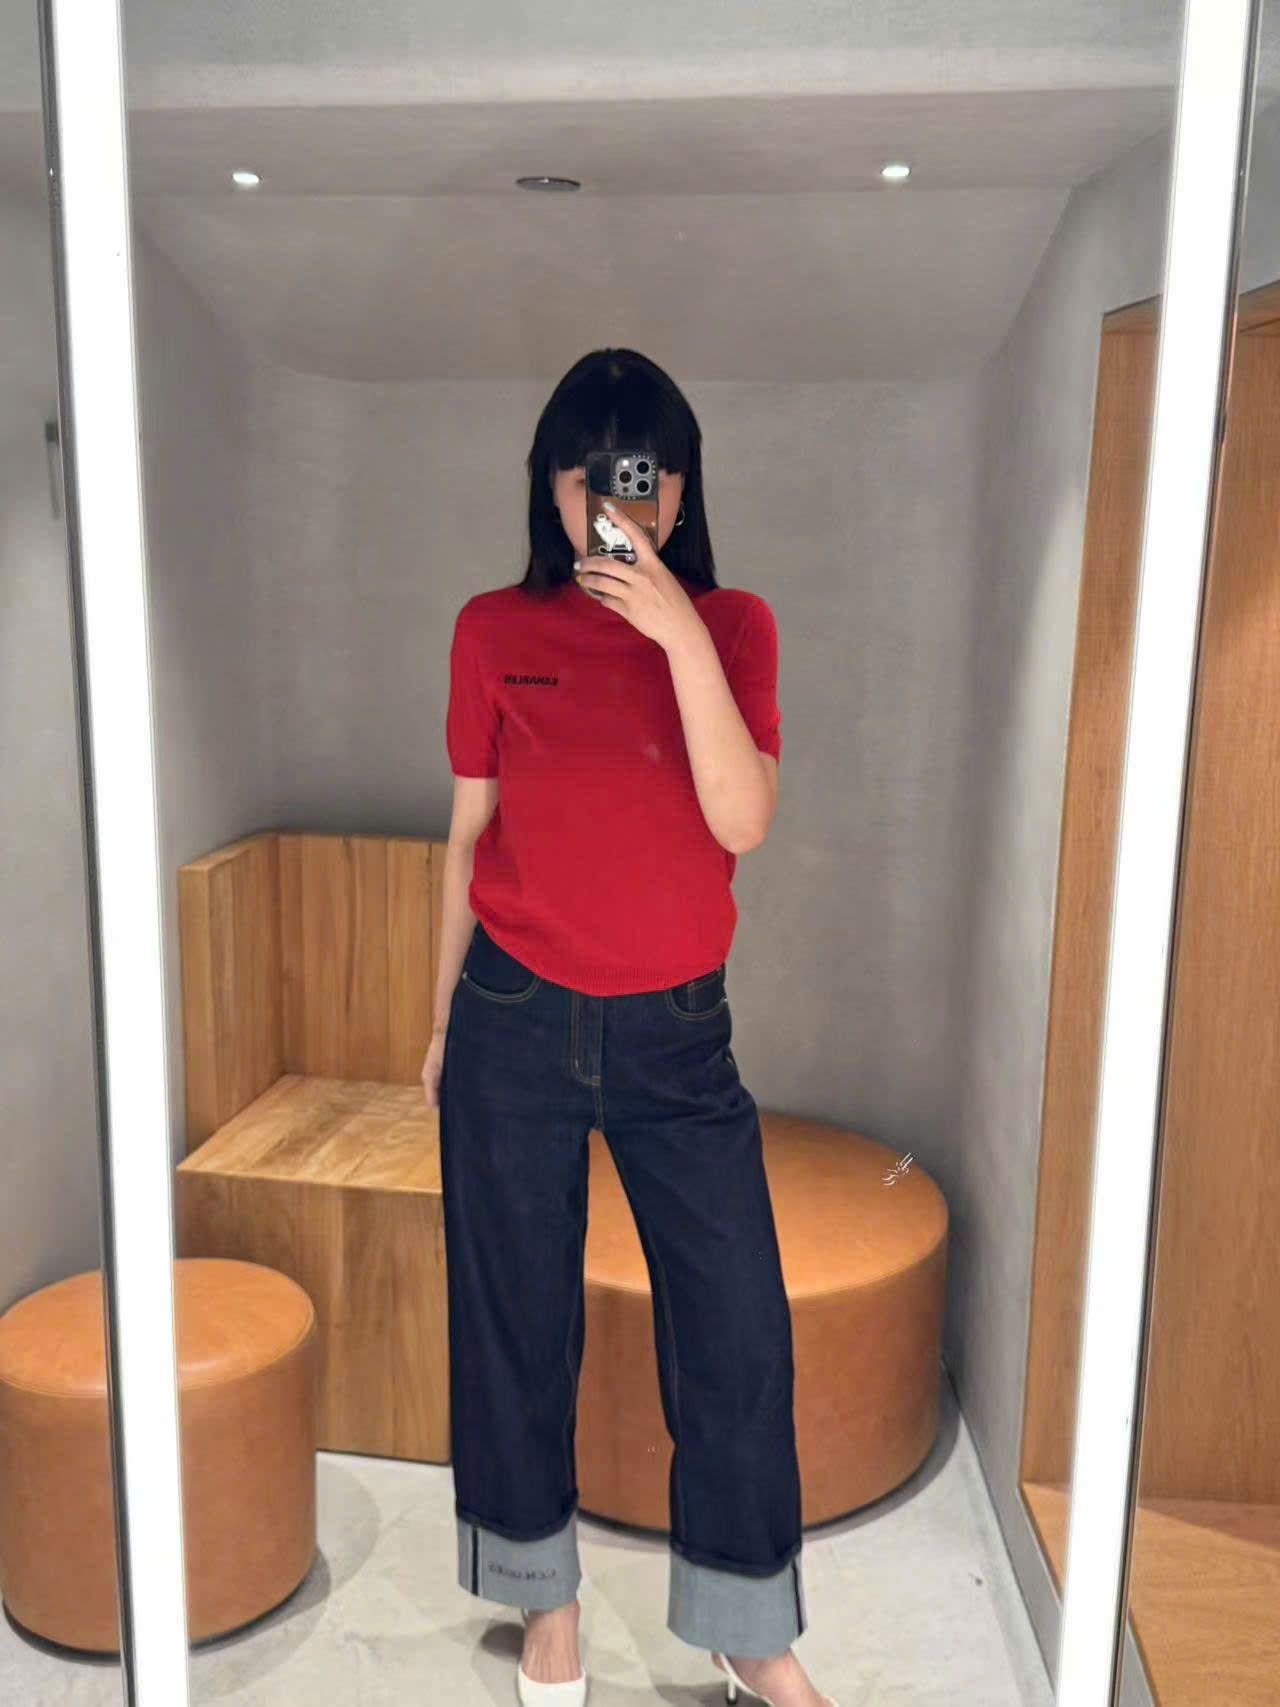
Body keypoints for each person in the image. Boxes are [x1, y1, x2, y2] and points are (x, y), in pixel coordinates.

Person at [422, 348, 837, 1707]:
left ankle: (747, 1629)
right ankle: (543, 1605)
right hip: (514, 1018)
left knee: (736, 1330)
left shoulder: (737, 627)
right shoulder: (492, 628)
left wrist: (676, 633)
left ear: (681, 488)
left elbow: (742, 819)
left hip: (676, 1038)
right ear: (548, 489)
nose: (615, 506)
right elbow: (467, 835)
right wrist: (438, 1024)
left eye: (640, 478)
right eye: (585, 477)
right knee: (513, 1321)